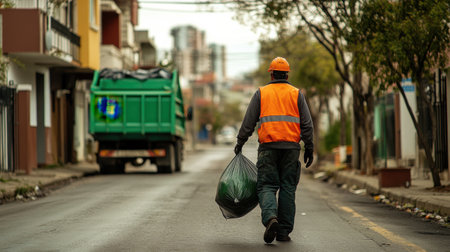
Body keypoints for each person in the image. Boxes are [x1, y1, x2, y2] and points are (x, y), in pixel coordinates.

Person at [234, 57, 314, 243]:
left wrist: (240, 141)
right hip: (291, 149)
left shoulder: (261, 93)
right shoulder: (296, 94)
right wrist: (309, 147)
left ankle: (271, 218)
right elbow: (307, 124)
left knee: (267, 185)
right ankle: (284, 232)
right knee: (287, 187)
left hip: (268, 148)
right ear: (287, 74)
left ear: (271, 73)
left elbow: (249, 121)